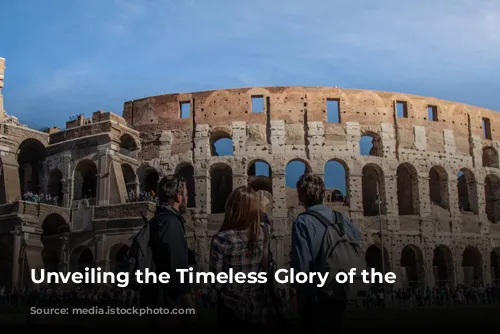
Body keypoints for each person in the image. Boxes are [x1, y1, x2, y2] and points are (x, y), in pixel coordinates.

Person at [290, 173, 361, 331]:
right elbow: (356, 239)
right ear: (323, 194)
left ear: (301, 196)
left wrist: (300, 297)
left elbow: (302, 266)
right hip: (340, 291)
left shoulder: (302, 222)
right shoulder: (340, 218)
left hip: (316, 296)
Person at [139, 174, 198, 328]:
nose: (187, 197)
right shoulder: (170, 222)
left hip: (156, 299)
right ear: (178, 197)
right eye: (186, 194)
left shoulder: (158, 220)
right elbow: (176, 266)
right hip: (169, 303)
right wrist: (190, 304)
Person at [209, 186, 271, 330]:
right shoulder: (263, 233)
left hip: (231, 312)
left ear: (231, 209)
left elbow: (217, 284)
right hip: (257, 310)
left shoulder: (221, 239)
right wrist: (260, 207)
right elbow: (266, 221)